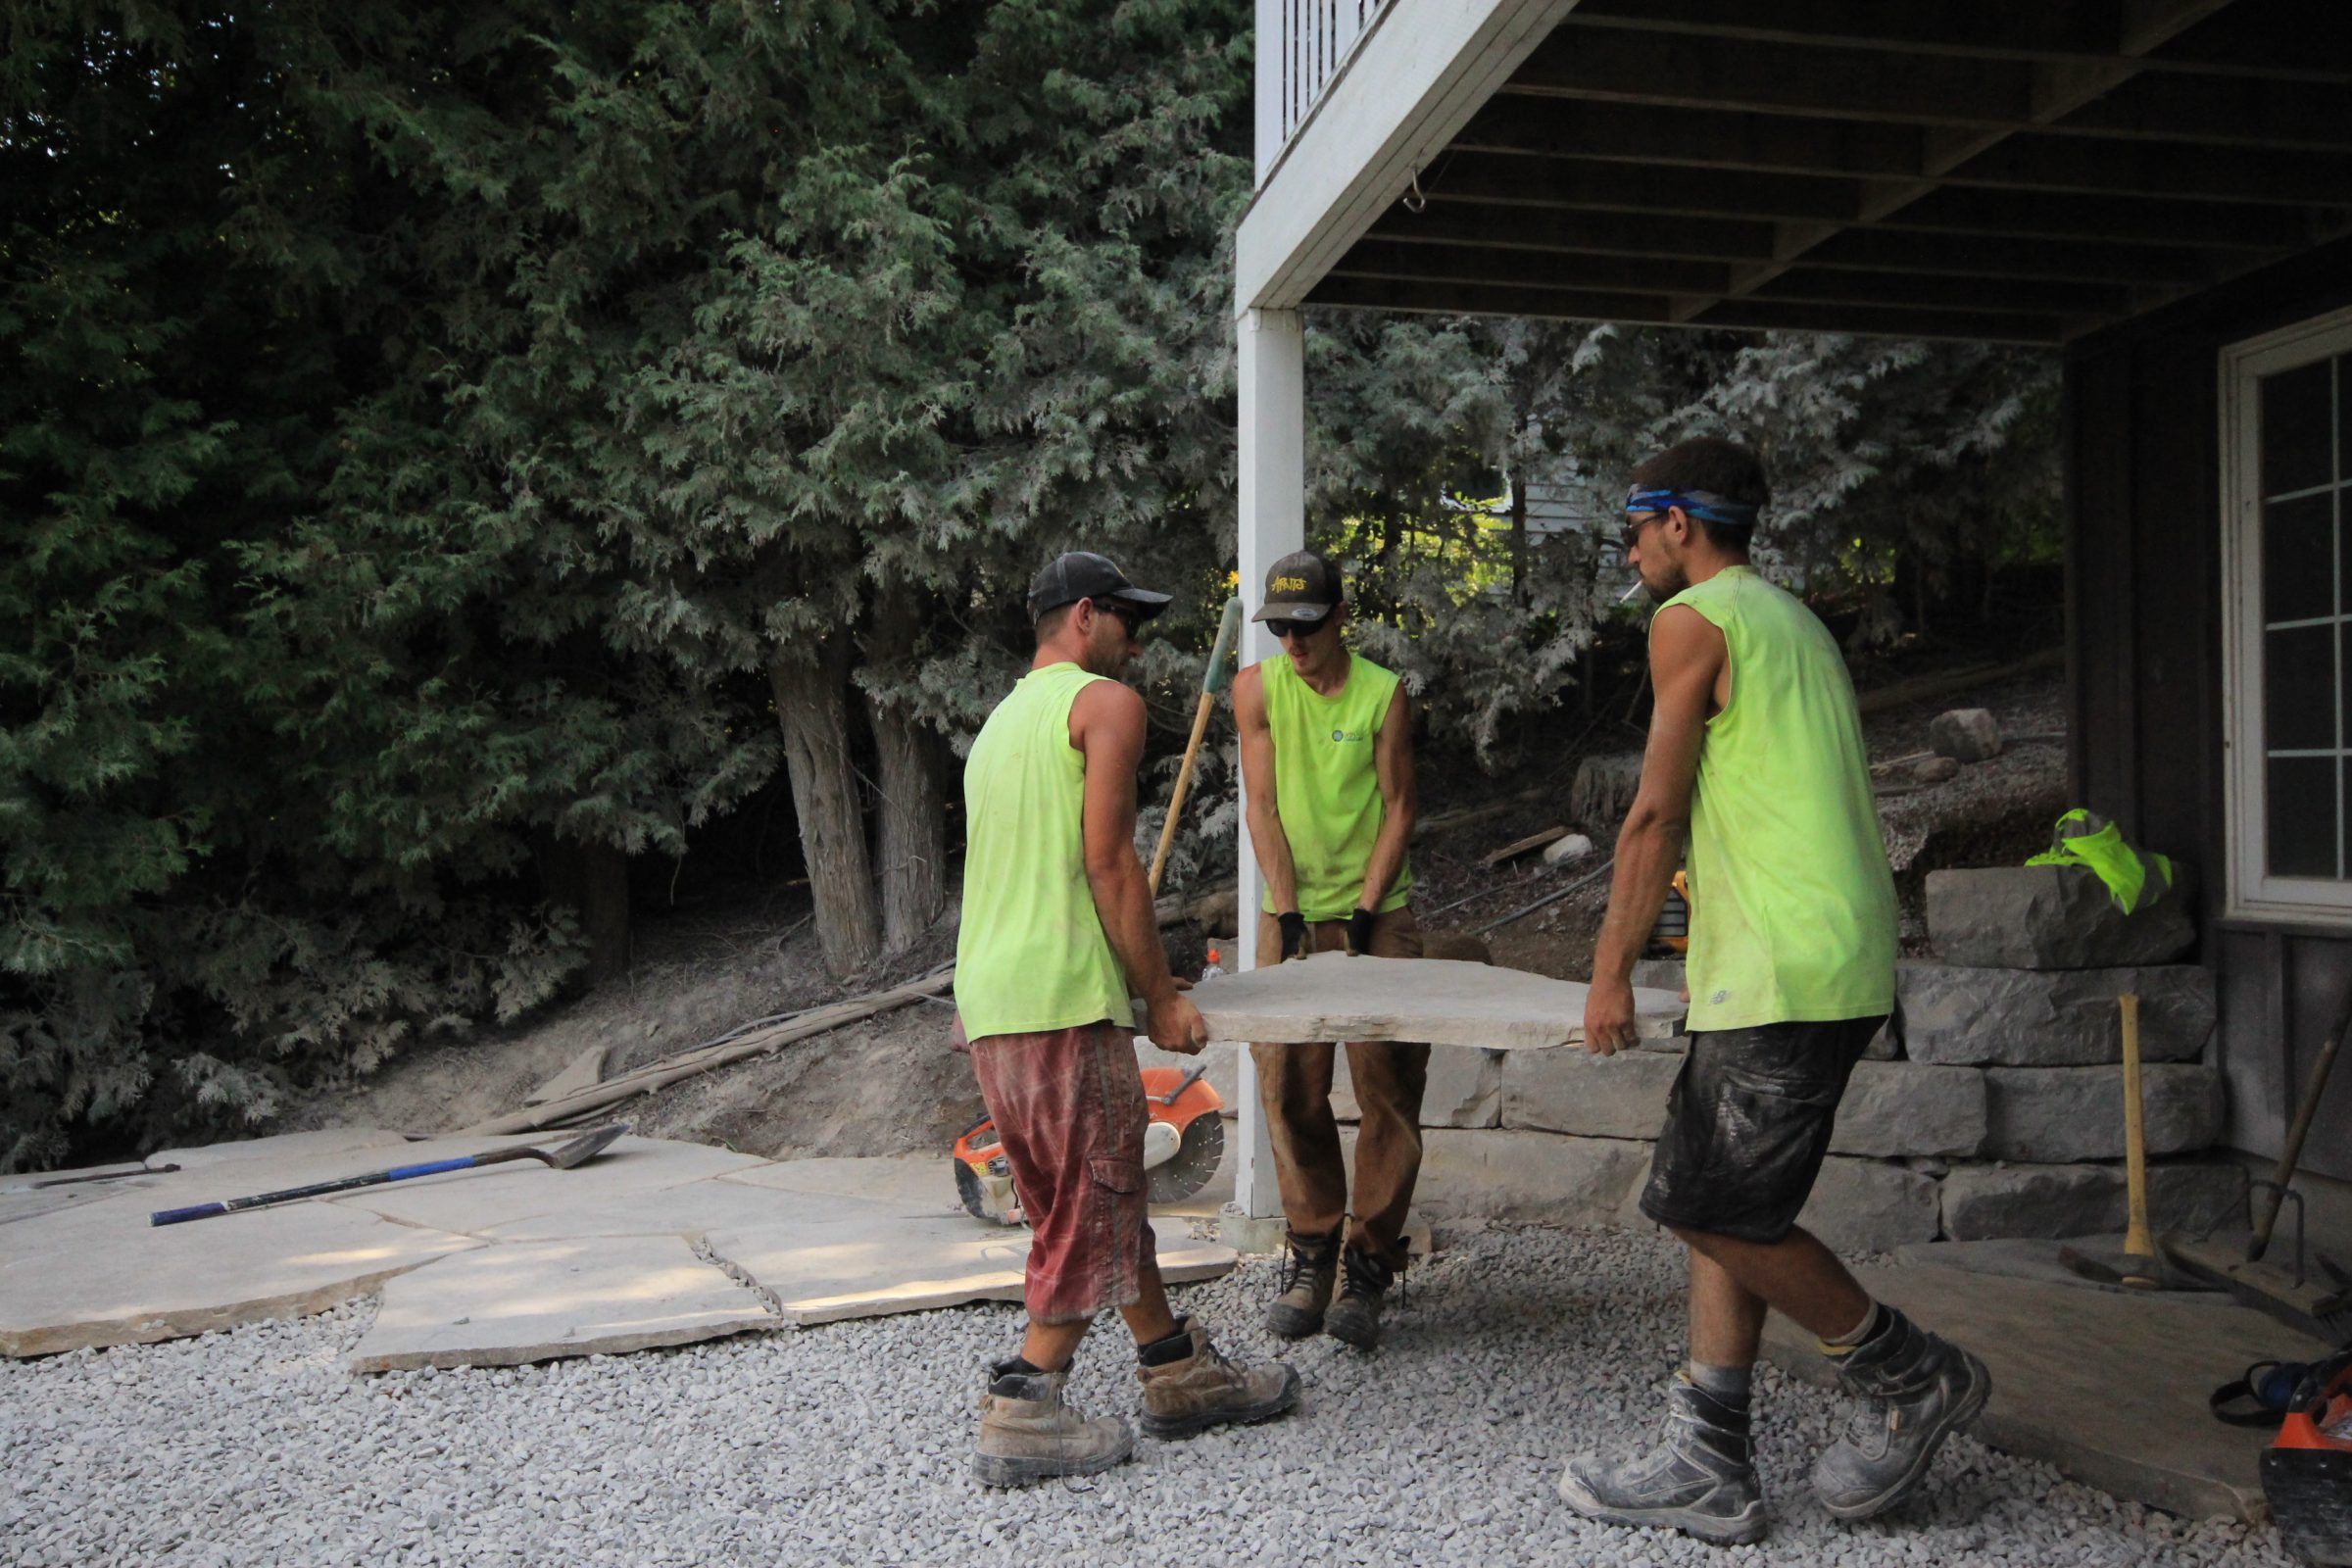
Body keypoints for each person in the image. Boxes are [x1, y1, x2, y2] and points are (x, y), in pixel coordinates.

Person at [1558, 439, 1989, 1546]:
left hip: (1786, 963)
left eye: (1635, 522)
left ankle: (1910, 1371)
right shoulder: (1787, 619)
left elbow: (1652, 813)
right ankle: (1709, 1455)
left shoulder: (1692, 620)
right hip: (1807, 952)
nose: (1630, 545)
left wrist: (1607, 972)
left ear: (1678, 524)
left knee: (1703, 1204)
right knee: (1726, 1202)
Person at [955, 550, 1299, 1488]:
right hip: (1063, 996)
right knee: (1096, 1199)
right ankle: (1026, 1403)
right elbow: (1110, 864)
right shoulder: (1103, 706)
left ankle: (1175, 1368)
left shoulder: (995, 729)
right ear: (1078, 619)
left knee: (1089, 1194)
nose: (1136, 641)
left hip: (993, 1001)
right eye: (1123, 618)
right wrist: (1162, 996)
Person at [1233, 549, 1423, 1349]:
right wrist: (1290, 910)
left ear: (1340, 617)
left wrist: (1363, 910)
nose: (1294, 644)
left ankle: (1371, 1260)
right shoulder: (1258, 691)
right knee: (1286, 1085)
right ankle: (1312, 1248)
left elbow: (1399, 808)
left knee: (1386, 1089)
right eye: (1280, 628)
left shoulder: (1384, 694)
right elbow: (1264, 807)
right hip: (1292, 907)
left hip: (1377, 908)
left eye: (1307, 627)